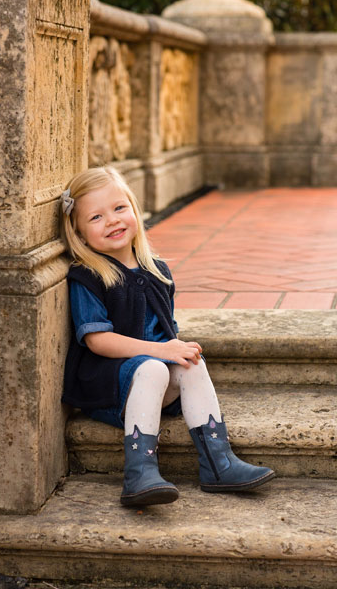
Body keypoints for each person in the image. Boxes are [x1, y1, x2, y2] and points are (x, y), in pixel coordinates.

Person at [61, 166, 275, 507]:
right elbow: (97, 340)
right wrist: (160, 351)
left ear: (134, 209)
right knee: (155, 367)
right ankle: (139, 473)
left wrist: (175, 350)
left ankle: (219, 464)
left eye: (119, 208)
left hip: (152, 383)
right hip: (107, 390)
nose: (113, 221)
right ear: (80, 233)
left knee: (190, 361)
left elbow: (166, 330)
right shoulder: (87, 276)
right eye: (96, 217)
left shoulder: (157, 270)